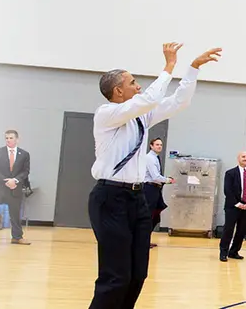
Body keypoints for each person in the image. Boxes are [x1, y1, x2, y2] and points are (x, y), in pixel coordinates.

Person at [88, 43, 220, 309]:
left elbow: (178, 102)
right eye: (133, 82)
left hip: (136, 200)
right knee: (116, 277)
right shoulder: (106, 114)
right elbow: (148, 98)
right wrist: (169, 66)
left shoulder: (140, 117)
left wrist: (192, 69)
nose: (138, 86)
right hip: (110, 198)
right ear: (118, 91)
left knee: (138, 274)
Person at [219, 151, 246, 262]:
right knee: (228, 230)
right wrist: (238, 204)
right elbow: (228, 190)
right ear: (238, 158)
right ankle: (223, 252)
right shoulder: (230, 173)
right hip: (233, 207)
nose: (245, 158)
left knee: (241, 231)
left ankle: (234, 251)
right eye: (243, 156)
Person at [143, 137, 174, 248]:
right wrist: (168, 180)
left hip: (156, 188)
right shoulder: (150, 158)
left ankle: (146, 239)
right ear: (151, 146)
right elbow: (155, 176)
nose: (159, 146)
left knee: (156, 215)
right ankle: (143, 241)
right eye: (157, 144)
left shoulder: (155, 158)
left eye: (160, 145)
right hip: (149, 188)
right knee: (149, 215)